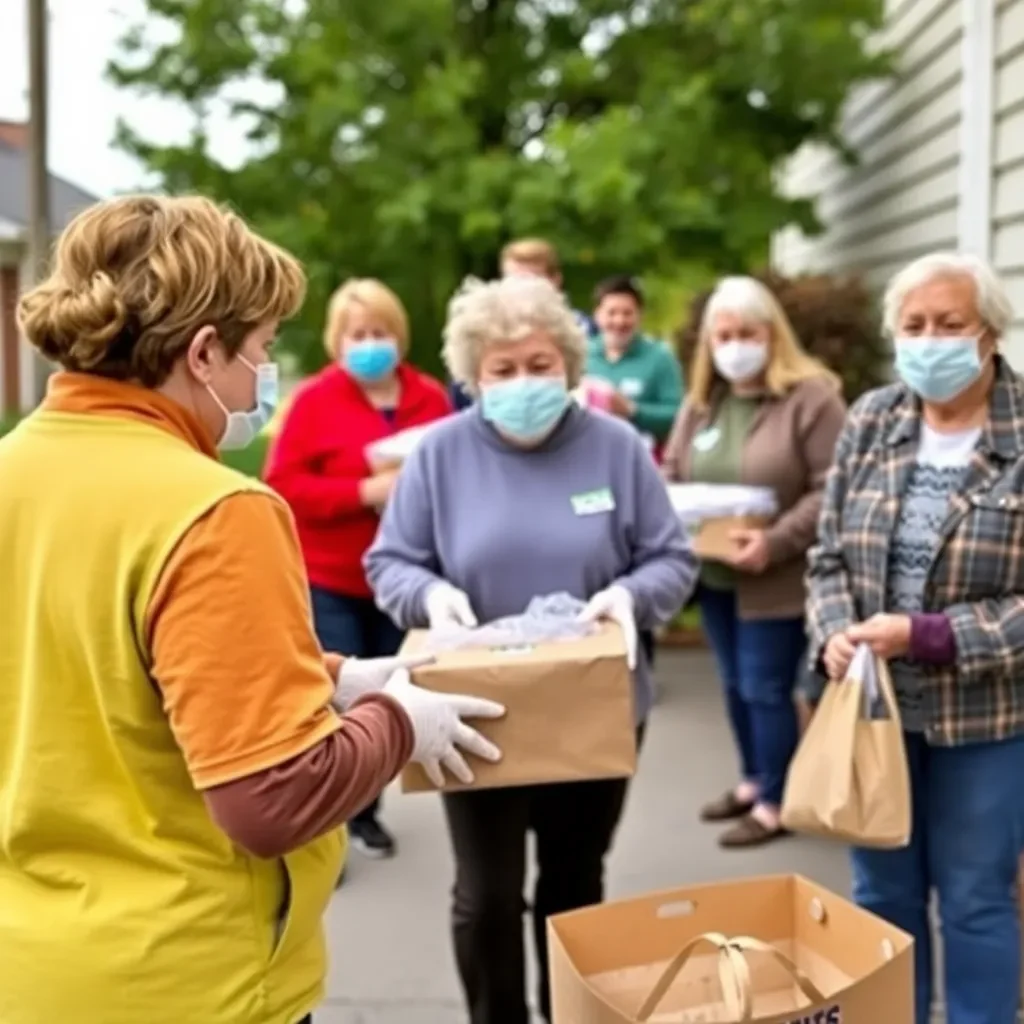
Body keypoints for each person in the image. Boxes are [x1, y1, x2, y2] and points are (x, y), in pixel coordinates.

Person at [0, 194, 503, 1024]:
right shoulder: (215, 510)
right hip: (186, 977)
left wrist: (327, 675)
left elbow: (86, 666)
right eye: (263, 348)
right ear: (204, 352)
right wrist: (397, 720)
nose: (263, 376)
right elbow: (271, 799)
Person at [365, 274, 697, 1024]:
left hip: (593, 703)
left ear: (569, 366)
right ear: (475, 375)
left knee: (574, 882)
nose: (524, 382)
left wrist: (631, 597)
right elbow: (390, 562)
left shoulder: (615, 448)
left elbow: (670, 557)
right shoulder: (441, 454)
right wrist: (430, 596)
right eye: (503, 368)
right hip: (473, 710)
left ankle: (572, 1014)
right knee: (487, 894)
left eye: (540, 365)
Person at [806, 252, 1024, 1024]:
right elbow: (827, 556)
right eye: (914, 325)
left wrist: (930, 635)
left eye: (950, 323)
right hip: (876, 712)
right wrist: (834, 633)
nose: (930, 340)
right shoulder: (872, 419)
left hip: (988, 720)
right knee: (881, 896)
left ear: (990, 333)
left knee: (974, 898)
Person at [264, 277, 451, 859]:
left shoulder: (430, 399)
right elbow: (284, 484)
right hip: (331, 577)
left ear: (399, 335)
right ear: (337, 341)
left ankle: (366, 813)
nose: (370, 344)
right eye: (357, 334)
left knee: (391, 695)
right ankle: (329, 827)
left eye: (380, 332)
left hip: (402, 579)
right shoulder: (315, 402)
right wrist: (363, 491)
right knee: (335, 701)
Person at [663, 276, 846, 848]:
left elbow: (833, 486)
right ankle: (753, 780)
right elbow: (672, 472)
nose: (735, 345)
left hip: (780, 575)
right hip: (716, 573)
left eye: (748, 333)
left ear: (772, 336)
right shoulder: (703, 403)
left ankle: (778, 801)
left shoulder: (811, 399)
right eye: (724, 336)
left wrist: (776, 541)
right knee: (733, 683)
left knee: (766, 687)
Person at [448, 238, 594, 411]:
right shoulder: (477, 331)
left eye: (532, 281)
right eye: (513, 280)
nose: (522, 290)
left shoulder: (584, 329)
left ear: (555, 280)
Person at [585, 274, 683, 456]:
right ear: (597, 315)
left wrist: (632, 410)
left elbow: (677, 415)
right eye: (612, 313)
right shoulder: (583, 354)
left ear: (640, 315)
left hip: (642, 456)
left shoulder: (660, 357)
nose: (619, 321)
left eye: (627, 313)